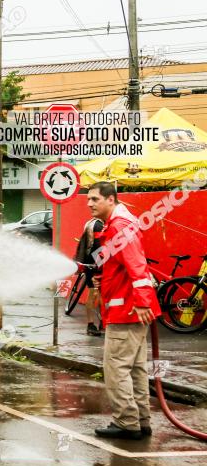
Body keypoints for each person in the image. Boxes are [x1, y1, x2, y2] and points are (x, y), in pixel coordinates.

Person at [87, 182, 160, 440]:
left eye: (95, 199)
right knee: (136, 369)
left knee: (116, 367)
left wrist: (141, 302)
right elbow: (121, 267)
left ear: (111, 199)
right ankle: (140, 420)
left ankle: (126, 422)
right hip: (132, 309)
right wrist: (102, 278)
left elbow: (137, 267)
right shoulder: (119, 225)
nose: (90, 204)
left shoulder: (119, 227)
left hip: (127, 311)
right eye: (89, 200)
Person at [74, 217, 105, 336]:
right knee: (94, 293)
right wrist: (99, 265)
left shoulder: (91, 222)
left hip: (91, 263)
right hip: (95, 264)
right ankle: (92, 325)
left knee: (96, 293)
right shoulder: (98, 225)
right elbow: (98, 246)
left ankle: (96, 323)